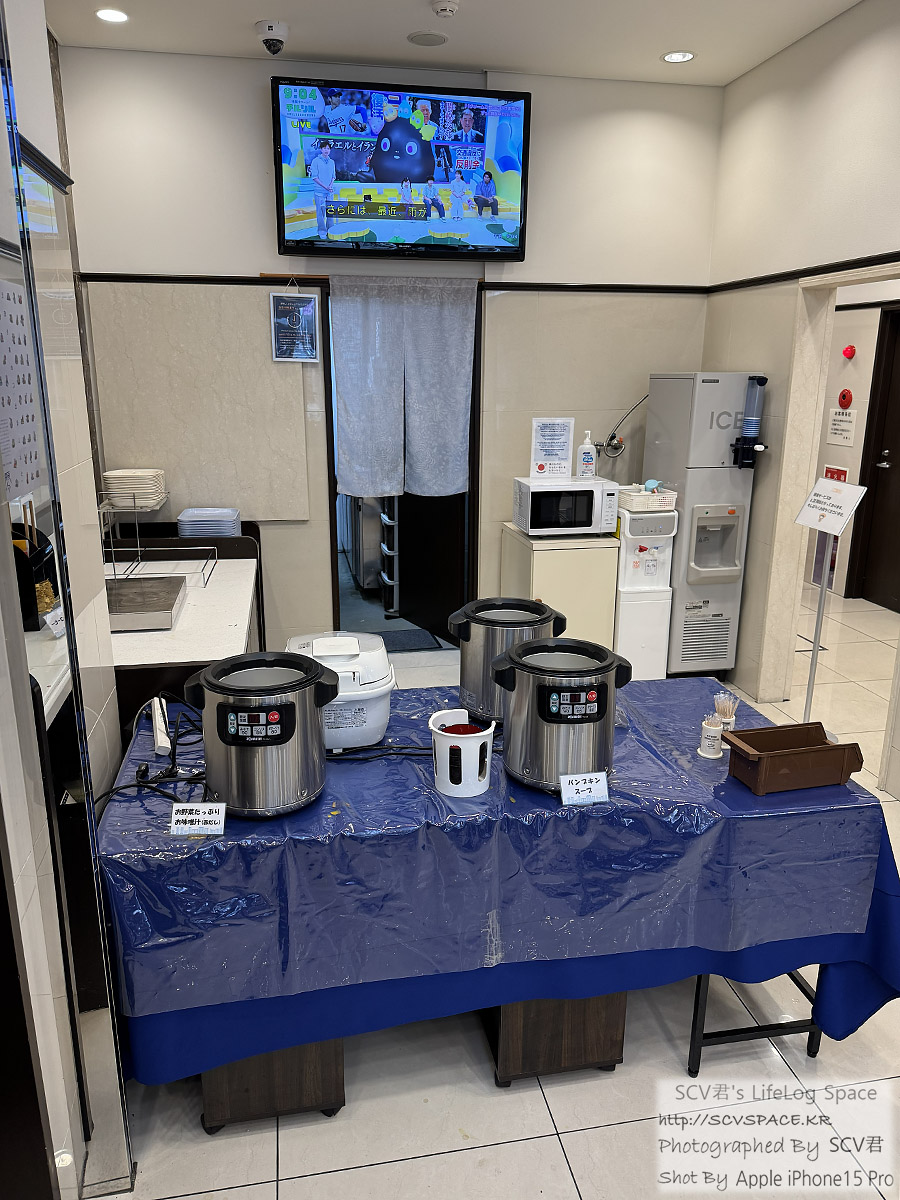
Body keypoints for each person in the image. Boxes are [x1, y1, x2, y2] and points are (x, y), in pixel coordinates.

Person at [308, 140, 337, 238]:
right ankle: (321, 230)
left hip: (329, 192)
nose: (326, 150)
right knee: (320, 213)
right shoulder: (315, 161)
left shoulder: (332, 162)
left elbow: (333, 176)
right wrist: (326, 187)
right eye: (324, 148)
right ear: (321, 149)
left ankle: (331, 229)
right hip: (319, 192)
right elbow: (314, 177)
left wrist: (330, 186)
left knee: (330, 211)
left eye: (328, 148)